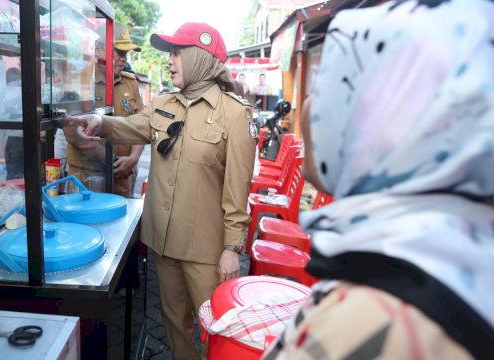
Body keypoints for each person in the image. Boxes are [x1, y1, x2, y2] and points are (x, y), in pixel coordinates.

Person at [263, 1, 494, 359]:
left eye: (334, 84)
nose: (307, 106)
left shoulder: (370, 317)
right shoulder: (447, 253)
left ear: (394, 119)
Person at [65, 22, 258, 358]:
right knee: (173, 323)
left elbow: (237, 190)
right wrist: (102, 123)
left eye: (176, 53)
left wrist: (232, 248)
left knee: (215, 330)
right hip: (164, 241)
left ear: (200, 57)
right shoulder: (165, 103)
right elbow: (133, 126)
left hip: (206, 250)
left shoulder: (234, 115)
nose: (169, 61)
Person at [62, 24, 145, 197]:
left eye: (126, 53)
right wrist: (113, 162)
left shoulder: (131, 83)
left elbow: (141, 125)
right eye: (118, 52)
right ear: (98, 49)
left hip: (123, 175)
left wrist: (133, 159)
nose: (124, 58)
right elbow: (73, 134)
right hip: (87, 178)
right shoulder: (79, 81)